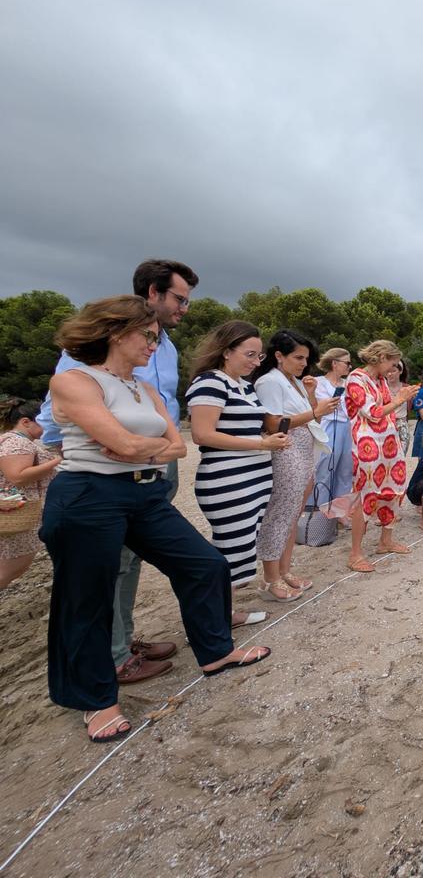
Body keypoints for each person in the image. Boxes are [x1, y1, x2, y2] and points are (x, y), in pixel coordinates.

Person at [43, 296, 270, 742]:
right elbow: (126, 446)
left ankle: (215, 652)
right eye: (147, 336)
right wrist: (138, 446)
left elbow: (178, 447)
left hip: (144, 492)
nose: (154, 344)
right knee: (87, 597)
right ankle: (96, 700)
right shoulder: (73, 380)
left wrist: (137, 446)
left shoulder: (143, 389)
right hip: (89, 495)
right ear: (115, 332)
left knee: (205, 564)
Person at [36, 259, 195, 685]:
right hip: (99, 466)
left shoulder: (166, 346)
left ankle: (122, 639)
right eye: (179, 299)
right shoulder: (87, 354)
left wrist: (159, 451)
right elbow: (64, 412)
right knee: (106, 565)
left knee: (133, 558)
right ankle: (112, 655)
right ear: (152, 294)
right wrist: (67, 456)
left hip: (154, 461)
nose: (184, 309)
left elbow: (162, 413)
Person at [186, 321, 290, 624]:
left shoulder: (243, 385)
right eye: (250, 354)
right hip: (228, 479)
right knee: (230, 547)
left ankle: (224, 612)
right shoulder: (210, 383)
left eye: (258, 356)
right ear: (226, 350)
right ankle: (214, 617)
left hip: (252, 477)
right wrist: (261, 443)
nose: (255, 362)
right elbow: (202, 434)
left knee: (242, 545)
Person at [252, 330, 337, 597]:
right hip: (285, 448)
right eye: (298, 357)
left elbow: (306, 416)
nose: (303, 363)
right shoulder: (269, 382)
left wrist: (311, 396)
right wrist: (315, 411)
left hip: (303, 446)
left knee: (292, 514)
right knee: (279, 514)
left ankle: (284, 570)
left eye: (306, 358)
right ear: (279, 355)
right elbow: (273, 423)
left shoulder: (293, 381)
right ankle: (269, 578)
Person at [345, 340, 420, 572]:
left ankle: (385, 541)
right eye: (391, 362)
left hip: (388, 442)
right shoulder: (356, 379)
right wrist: (400, 399)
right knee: (366, 494)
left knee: (394, 489)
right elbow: (373, 412)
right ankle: (355, 554)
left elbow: (387, 406)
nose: (393, 368)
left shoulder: (380, 380)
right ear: (379, 357)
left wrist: (400, 397)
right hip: (367, 444)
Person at [0, 399, 61, 590]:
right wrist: (58, 460)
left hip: (15, 511)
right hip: (17, 512)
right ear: (26, 422)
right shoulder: (18, 442)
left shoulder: (11, 440)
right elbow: (18, 476)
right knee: (9, 569)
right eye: (43, 420)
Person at [310, 348, 354, 519]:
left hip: (347, 427)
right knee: (325, 467)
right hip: (327, 427)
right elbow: (314, 408)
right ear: (334, 363)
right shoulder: (317, 382)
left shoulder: (349, 383)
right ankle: (320, 511)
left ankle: (340, 512)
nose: (350, 367)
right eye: (347, 363)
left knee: (345, 469)